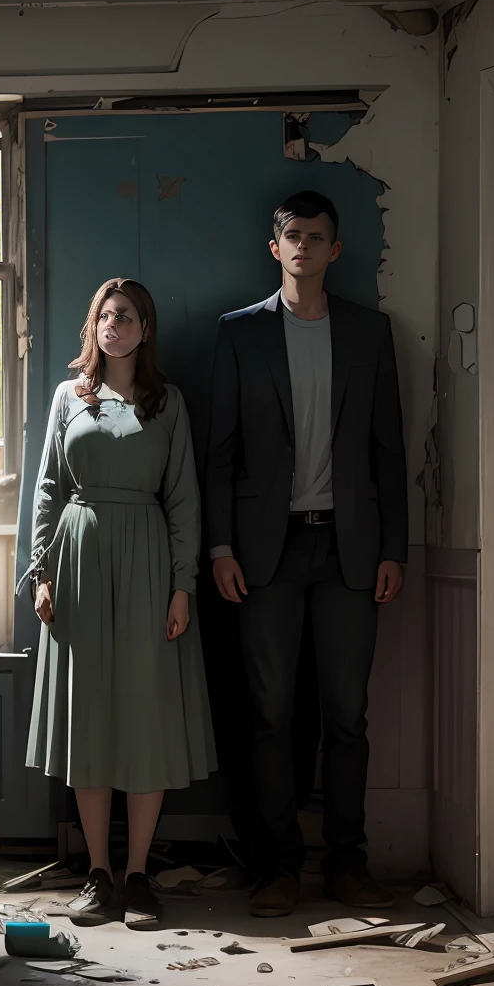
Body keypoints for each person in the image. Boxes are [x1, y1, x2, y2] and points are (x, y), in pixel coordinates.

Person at [205, 190, 408, 917]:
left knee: (346, 717)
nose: (303, 247)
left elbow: (390, 450)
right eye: (292, 235)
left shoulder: (369, 333)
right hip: (266, 553)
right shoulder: (239, 333)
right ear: (276, 247)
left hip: (351, 551)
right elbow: (219, 454)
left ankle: (347, 866)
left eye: (316, 237)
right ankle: (277, 866)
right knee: (269, 715)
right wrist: (221, 545)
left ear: (334, 250)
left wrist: (395, 548)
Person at [25, 278, 217, 931]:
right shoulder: (65, 397)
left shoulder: (169, 404)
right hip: (77, 563)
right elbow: (47, 487)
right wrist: (40, 571)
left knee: (144, 717)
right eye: (105, 315)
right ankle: (97, 873)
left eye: (127, 316)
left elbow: (185, 496)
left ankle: (139, 875)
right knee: (89, 720)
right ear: (94, 325)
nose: (114, 325)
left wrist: (182, 584)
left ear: (145, 328)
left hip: (146, 562)